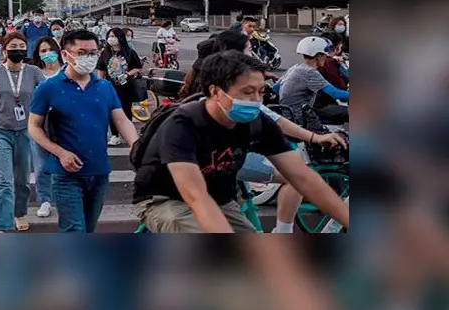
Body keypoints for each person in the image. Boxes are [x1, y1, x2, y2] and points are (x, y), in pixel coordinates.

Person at [132, 51, 350, 232]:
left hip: (220, 200)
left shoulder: (257, 122)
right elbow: (195, 196)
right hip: (167, 201)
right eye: (247, 92)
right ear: (216, 92)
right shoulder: (183, 125)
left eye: (261, 92)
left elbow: (303, 178)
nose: (256, 100)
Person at [27, 29, 139, 233]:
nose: (89, 58)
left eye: (93, 53)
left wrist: (136, 146)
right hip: (65, 173)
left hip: (99, 172)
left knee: (88, 228)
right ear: (65, 54)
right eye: (82, 53)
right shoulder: (48, 88)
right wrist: (60, 153)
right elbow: (33, 127)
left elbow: (121, 120)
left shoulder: (105, 87)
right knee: (73, 230)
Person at [0, 33, 46, 232]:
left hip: (25, 131)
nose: (18, 50)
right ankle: (2, 225)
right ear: (4, 50)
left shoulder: (34, 71)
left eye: (22, 46)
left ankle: (19, 212)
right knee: (3, 181)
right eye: (13, 46)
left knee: (22, 180)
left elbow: (47, 96)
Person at [28, 37, 64, 217]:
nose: (47, 54)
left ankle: (66, 198)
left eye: (50, 49)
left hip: (65, 123)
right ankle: (45, 200)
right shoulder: (35, 73)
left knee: (65, 162)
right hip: (40, 123)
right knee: (41, 165)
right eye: (42, 51)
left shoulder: (67, 71)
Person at [277, 36, 350, 126]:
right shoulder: (310, 72)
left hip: (288, 114)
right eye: (324, 55)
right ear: (318, 56)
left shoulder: (295, 67)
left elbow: (276, 88)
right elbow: (335, 94)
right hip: (301, 117)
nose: (326, 57)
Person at [97, 27, 145, 147]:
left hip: (126, 86)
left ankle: (126, 133)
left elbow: (138, 67)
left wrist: (128, 74)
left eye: (114, 36)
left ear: (120, 38)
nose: (111, 39)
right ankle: (114, 135)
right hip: (110, 86)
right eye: (109, 36)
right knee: (111, 110)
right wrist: (100, 83)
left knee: (125, 109)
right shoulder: (105, 52)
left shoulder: (129, 52)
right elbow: (101, 68)